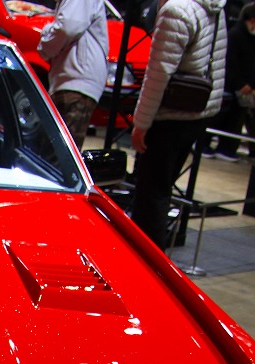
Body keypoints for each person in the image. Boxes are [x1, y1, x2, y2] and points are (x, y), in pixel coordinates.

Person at [128, 0, 229, 249]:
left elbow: (158, 73)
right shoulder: (215, 7)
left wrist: (141, 122)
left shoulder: (176, 10)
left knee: (151, 196)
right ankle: (152, 257)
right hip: (198, 111)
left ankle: (148, 261)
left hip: (170, 115)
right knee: (160, 191)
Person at [205, 0, 255, 160]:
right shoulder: (235, 35)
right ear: (252, 21)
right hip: (229, 85)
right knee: (218, 117)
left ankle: (227, 147)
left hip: (245, 87)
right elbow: (229, 62)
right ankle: (204, 143)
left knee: (236, 119)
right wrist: (239, 83)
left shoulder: (254, 38)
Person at [37, 0, 110, 149]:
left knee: (58, 154)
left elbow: (67, 28)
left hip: (76, 80)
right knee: (57, 151)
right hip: (74, 79)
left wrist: (46, 36)